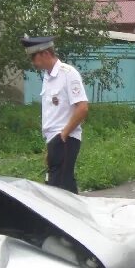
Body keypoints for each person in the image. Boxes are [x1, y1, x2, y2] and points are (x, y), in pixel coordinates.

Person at [23, 35, 89, 194]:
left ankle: (69, 217)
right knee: (63, 186)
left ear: (45, 53)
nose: (33, 61)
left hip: (66, 139)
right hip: (54, 140)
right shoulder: (47, 77)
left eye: (34, 56)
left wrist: (63, 135)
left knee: (57, 189)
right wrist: (50, 146)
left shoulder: (68, 73)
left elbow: (82, 108)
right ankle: (79, 216)